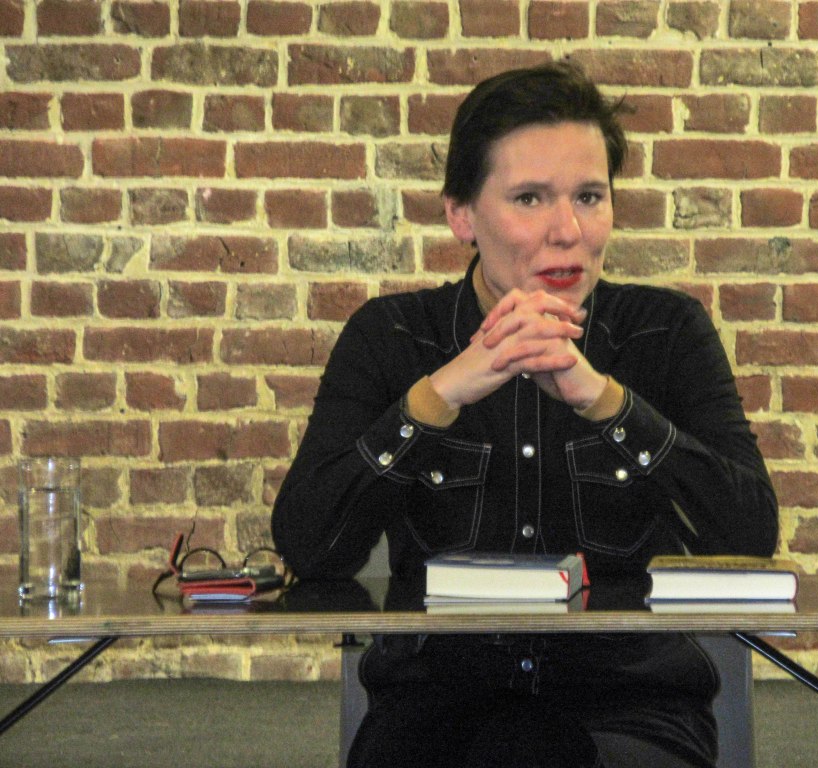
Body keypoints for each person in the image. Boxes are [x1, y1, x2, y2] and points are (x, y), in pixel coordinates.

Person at [272, 62, 778, 768]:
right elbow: (310, 546)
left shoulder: (665, 331)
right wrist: (439, 395)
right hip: (434, 709)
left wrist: (605, 402)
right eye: (530, 198)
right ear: (462, 215)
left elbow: (751, 534)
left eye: (589, 197)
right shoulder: (392, 337)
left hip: (629, 707)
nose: (567, 231)